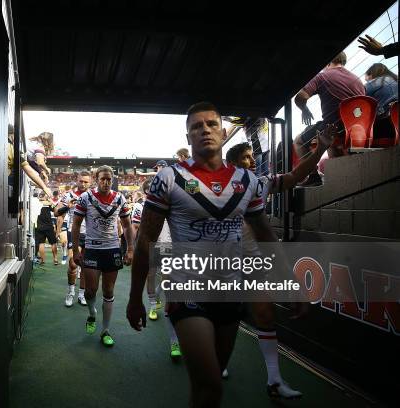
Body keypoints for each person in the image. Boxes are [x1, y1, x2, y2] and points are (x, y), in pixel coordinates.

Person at [127, 102, 286, 407]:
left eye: (211, 124)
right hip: (188, 289)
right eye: (197, 126)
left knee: (212, 382)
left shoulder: (247, 181)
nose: (205, 130)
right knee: (210, 385)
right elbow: (146, 238)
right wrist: (135, 297)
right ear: (188, 137)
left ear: (224, 132)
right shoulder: (168, 179)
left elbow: (264, 233)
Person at [224, 124, 335, 399]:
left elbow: (296, 175)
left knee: (264, 316)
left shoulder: (260, 183)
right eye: (247, 157)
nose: (253, 161)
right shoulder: (216, 187)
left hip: (252, 261)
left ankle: (274, 381)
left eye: (252, 156)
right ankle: (218, 365)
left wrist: (321, 148)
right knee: (222, 322)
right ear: (232, 163)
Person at [73, 165, 134, 347]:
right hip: (91, 248)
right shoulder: (86, 198)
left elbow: (128, 225)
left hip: (112, 249)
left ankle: (105, 330)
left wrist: (130, 249)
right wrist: (75, 250)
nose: (106, 182)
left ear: (112, 179)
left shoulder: (120, 198)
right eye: (102, 179)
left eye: (109, 179)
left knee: (108, 291)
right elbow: (76, 224)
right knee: (91, 290)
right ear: (96, 179)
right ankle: (92, 315)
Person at [293, 52, 364, 186]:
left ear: (327, 62)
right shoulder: (357, 80)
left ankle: (313, 176)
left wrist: (304, 109)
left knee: (298, 141)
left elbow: (300, 98)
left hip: (333, 126)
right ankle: (340, 179)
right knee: (330, 141)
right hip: (356, 129)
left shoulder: (323, 76)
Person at [132, 182, 181, 359]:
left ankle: (174, 339)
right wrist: (134, 247)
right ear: (146, 191)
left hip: (170, 246)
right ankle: (153, 304)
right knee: (151, 276)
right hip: (152, 244)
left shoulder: (173, 202)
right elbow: (136, 227)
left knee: (168, 283)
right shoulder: (141, 206)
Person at [55, 173, 91, 307]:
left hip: (90, 234)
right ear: (77, 180)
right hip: (73, 232)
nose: (83, 184)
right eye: (81, 181)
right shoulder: (69, 195)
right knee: (73, 263)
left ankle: (82, 294)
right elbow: (56, 212)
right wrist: (67, 207)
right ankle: (70, 292)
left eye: (86, 182)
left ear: (90, 182)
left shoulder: (93, 195)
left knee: (86, 266)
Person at [34, 192, 59, 266]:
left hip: (39, 226)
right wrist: (50, 201)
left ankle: (42, 260)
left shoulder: (37, 203)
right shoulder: (49, 204)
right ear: (45, 196)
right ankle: (55, 259)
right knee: (53, 243)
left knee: (41, 243)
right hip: (48, 226)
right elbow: (55, 211)